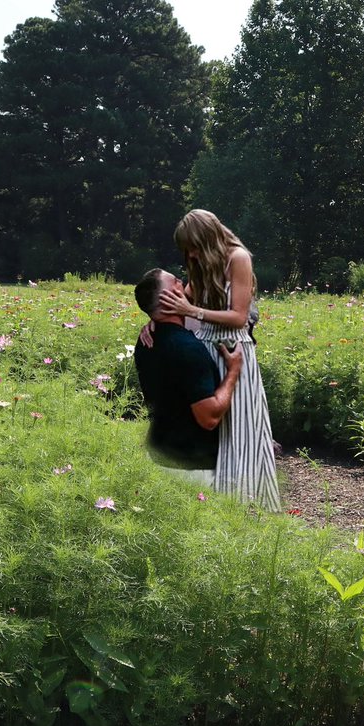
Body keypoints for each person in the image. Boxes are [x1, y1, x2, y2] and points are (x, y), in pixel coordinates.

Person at [148, 209, 282, 511]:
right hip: (205, 348)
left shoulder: (238, 258)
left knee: (241, 430)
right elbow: (179, 302)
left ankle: (248, 504)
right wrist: (154, 322)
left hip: (232, 348)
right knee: (210, 432)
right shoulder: (201, 263)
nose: (190, 254)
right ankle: (215, 503)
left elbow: (237, 316)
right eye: (187, 249)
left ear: (207, 238)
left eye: (193, 246)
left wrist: (191, 312)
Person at [133, 269, 243, 485]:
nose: (181, 282)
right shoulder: (188, 348)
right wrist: (233, 372)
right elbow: (208, 418)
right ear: (167, 301)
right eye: (175, 282)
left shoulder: (146, 342)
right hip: (193, 466)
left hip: (159, 454)